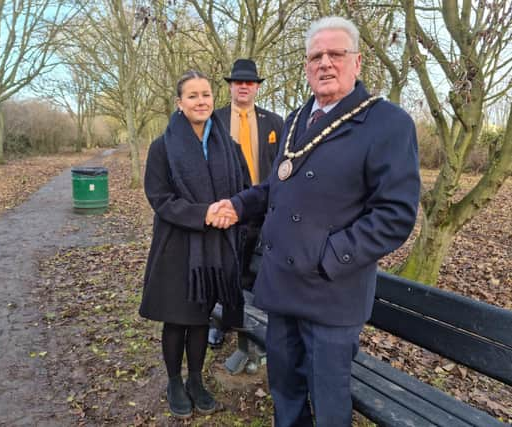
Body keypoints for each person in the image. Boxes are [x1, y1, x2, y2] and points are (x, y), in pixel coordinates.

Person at [209, 16, 421, 426]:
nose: (325, 63)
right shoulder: (295, 120)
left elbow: (395, 214)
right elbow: (274, 187)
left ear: (357, 62)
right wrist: (238, 204)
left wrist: (330, 257)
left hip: (331, 293)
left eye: (335, 54)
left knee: (327, 403)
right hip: (283, 287)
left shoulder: (387, 123)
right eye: (315, 56)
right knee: (285, 391)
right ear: (307, 66)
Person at [140, 70, 245, 419]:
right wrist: (204, 213)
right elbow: (160, 198)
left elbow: (243, 188)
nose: (201, 101)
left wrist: (230, 211)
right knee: (176, 318)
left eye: (206, 95)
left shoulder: (229, 147)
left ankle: (196, 380)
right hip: (176, 245)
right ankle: (174, 381)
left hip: (213, 247)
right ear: (179, 103)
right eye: (193, 96)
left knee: (200, 318)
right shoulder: (162, 147)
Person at [208, 59, 284, 349]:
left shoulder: (274, 122)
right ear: (230, 86)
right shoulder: (214, 120)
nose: (243, 86)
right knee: (223, 268)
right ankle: (221, 323)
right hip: (228, 206)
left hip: (262, 209)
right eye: (238, 82)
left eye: (249, 82)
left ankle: (252, 331)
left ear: (256, 87)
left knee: (257, 271)